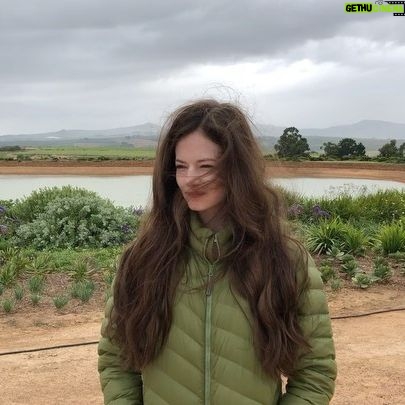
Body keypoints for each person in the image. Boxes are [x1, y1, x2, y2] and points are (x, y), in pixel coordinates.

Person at [98, 99, 337, 404]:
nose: (190, 179)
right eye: (181, 166)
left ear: (238, 169)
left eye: (206, 166)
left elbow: (314, 373)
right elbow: (116, 360)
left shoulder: (286, 260)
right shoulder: (143, 258)